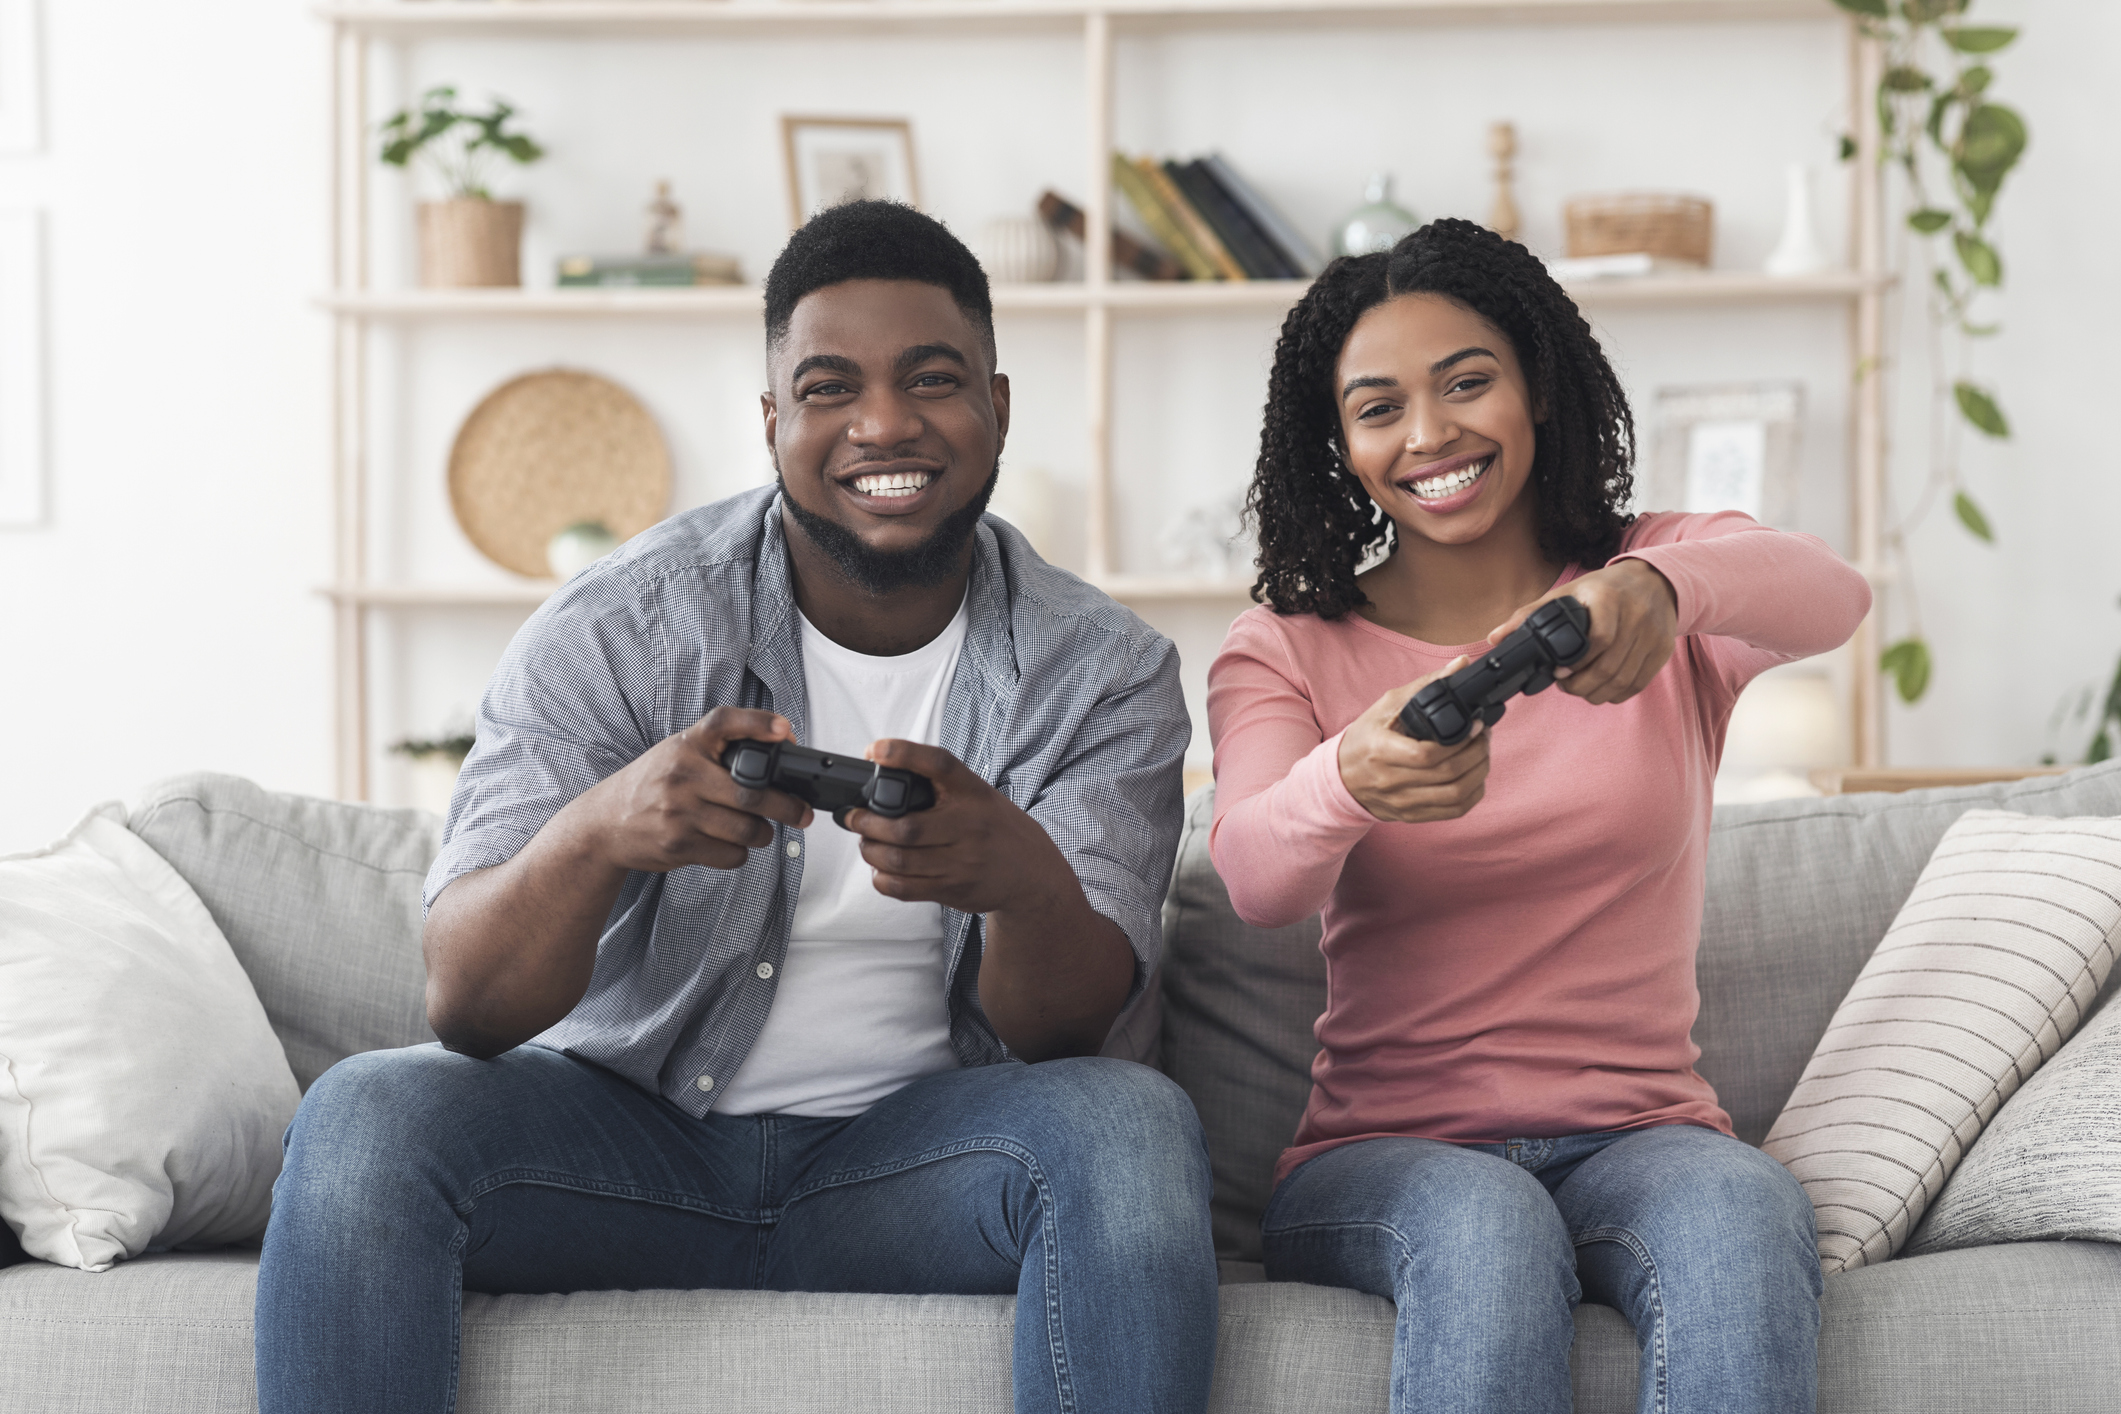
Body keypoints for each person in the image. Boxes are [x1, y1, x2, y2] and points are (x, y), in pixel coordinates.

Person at [256, 200, 1217, 1414]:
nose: (883, 424)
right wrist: (599, 831)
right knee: (365, 1118)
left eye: (933, 379)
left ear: (1000, 408)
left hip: (922, 1164)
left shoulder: (1103, 668)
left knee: (1131, 1129)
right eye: (830, 388)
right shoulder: (620, 625)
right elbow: (467, 1002)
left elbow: (1065, 1039)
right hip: (625, 1147)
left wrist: (1019, 880)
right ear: (774, 423)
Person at [1208, 219, 1871, 1414]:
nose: (1431, 434)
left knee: (1739, 1204)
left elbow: (1835, 594)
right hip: (1382, 1159)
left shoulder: (1656, 586)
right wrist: (1350, 776)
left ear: (1539, 389)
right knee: (1486, 1219)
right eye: (1379, 407)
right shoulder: (1288, 647)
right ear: (1337, 442)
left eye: (1468, 382)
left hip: (1641, 1135)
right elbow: (1256, 876)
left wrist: (1660, 588)